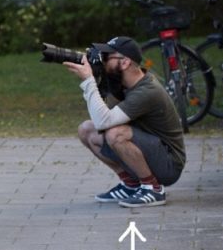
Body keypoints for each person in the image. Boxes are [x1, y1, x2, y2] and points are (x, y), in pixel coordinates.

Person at [64, 36, 186, 208]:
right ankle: (131, 184)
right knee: (86, 130)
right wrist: (98, 80)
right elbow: (100, 120)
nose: (101, 61)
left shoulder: (147, 90)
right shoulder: (121, 82)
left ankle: (153, 188)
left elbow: (104, 122)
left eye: (106, 57)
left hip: (168, 164)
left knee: (115, 133)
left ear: (125, 62)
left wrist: (89, 82)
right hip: (149, 151)